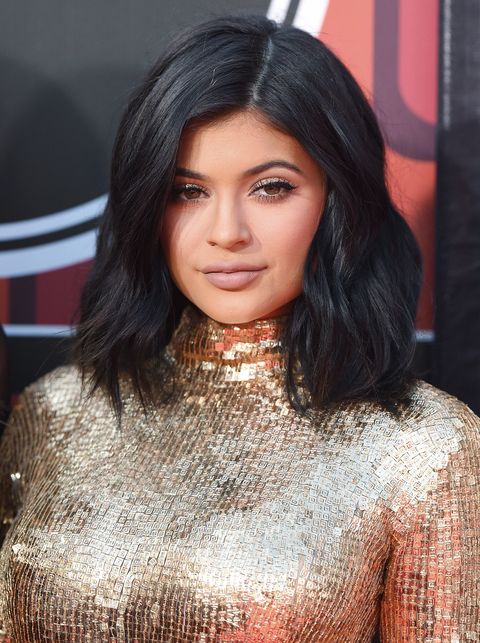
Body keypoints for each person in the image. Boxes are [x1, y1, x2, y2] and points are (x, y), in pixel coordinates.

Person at [0, 14, 479, 642]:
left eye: (271, 188)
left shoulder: (428, 449)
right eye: (187, 192)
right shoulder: (55, 411)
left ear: (338, 200)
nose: (227, 231)